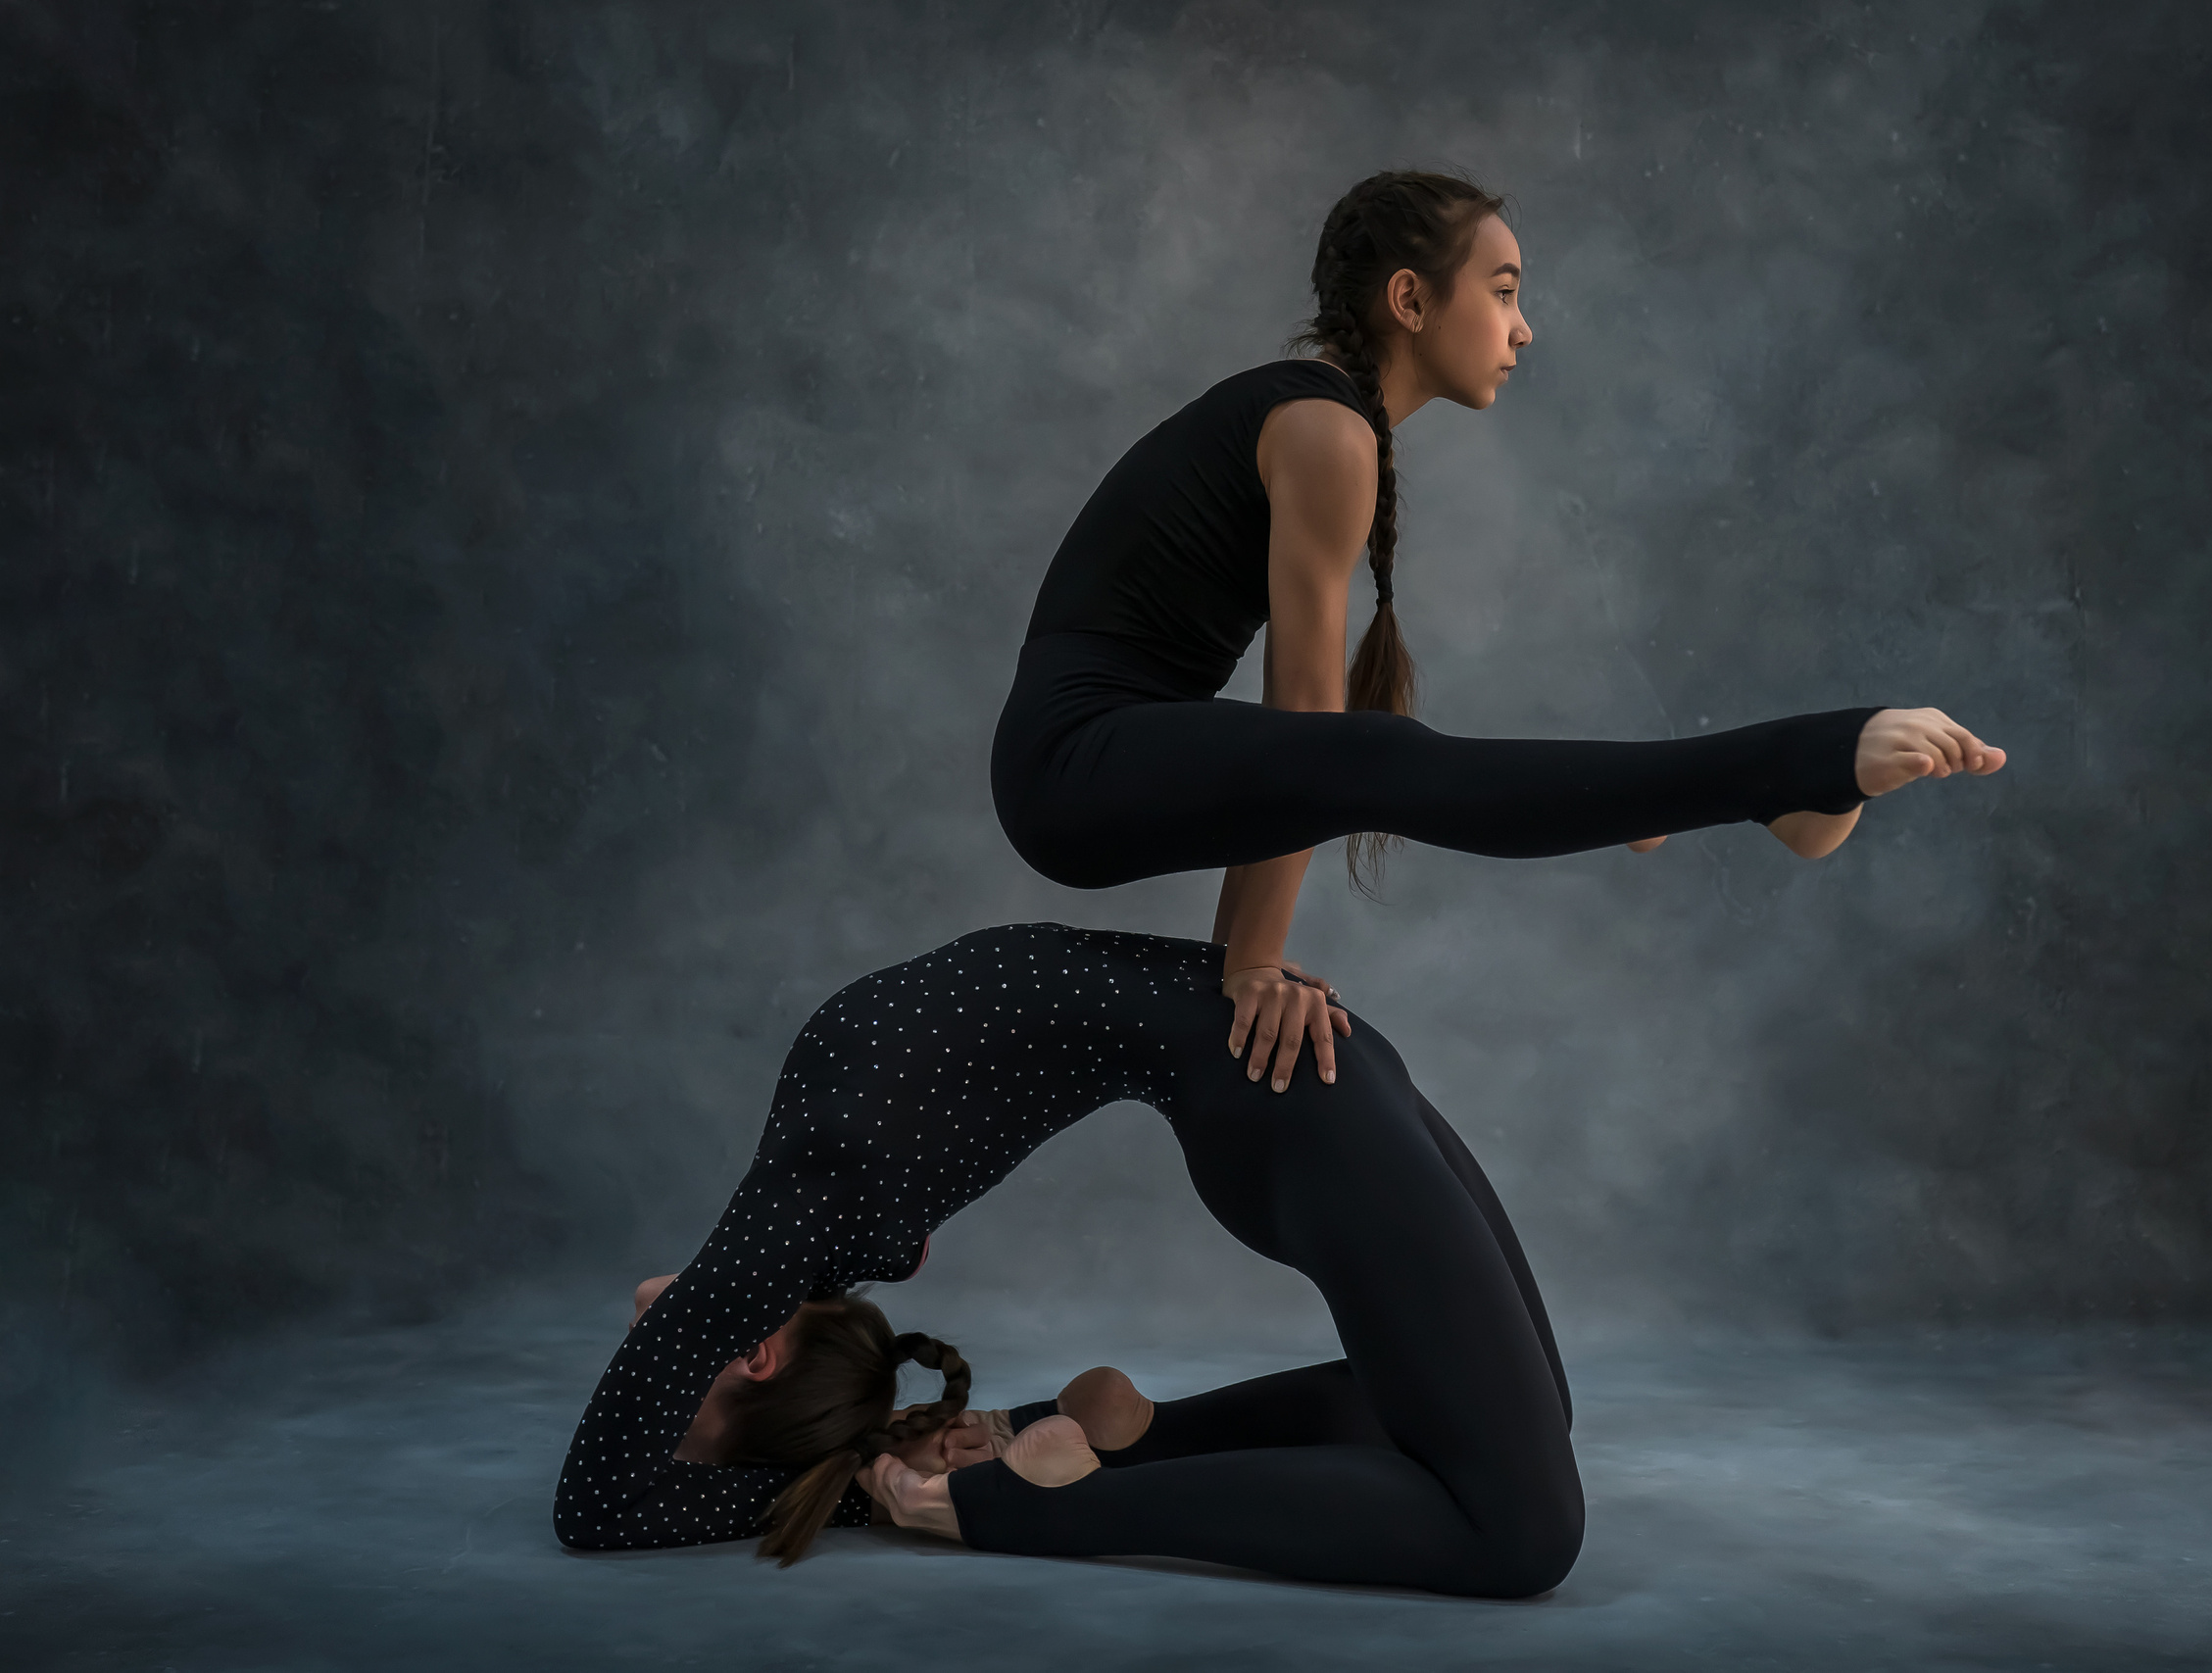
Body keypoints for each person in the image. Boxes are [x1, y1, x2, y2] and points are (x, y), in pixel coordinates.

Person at [992, 171, 2007, 1094]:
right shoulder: (1321, 430)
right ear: (1409, 301)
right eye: (1505, 289)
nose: (1523, 330)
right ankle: (1788, 770)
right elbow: (1305, 733)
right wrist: (1249, 968)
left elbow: (1299, 756)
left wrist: (1244, 958)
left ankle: (1752, 788)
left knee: (1375, 753)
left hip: (1109, 763)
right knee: (1372, 751)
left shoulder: (1334, 428)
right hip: (1069, 766)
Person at [553, 923, 1579, 1598]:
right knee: (1520, 1527)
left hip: (1291, 1063)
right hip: (1295, 1080)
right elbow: (599, 1507)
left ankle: (1107, 1443)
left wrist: (861, 1481)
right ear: (753, 1355)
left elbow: (609, 1497)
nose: (648, 1353)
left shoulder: (816, 1220)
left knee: (1506, 1435)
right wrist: (869, 1475)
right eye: (669, 1378)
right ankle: (1055, 1501)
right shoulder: (799, 1228)